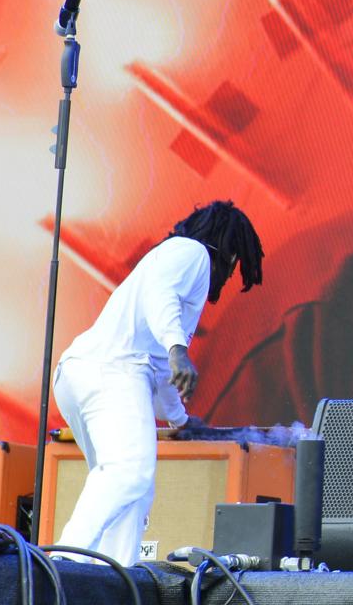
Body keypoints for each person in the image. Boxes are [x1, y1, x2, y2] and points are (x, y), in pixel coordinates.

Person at [52, 201, 263, 564]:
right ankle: (62, 561)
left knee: (132, 493)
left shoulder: (173, 261)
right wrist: (178, 348)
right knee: (130, 471)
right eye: (234, 266)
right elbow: (160, 297)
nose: (229, 277)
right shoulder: (193, 253)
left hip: (81, 375)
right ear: (228, 254)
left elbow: (162, 372)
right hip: (112, 372)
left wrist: (181, 421)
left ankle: (113, 575)